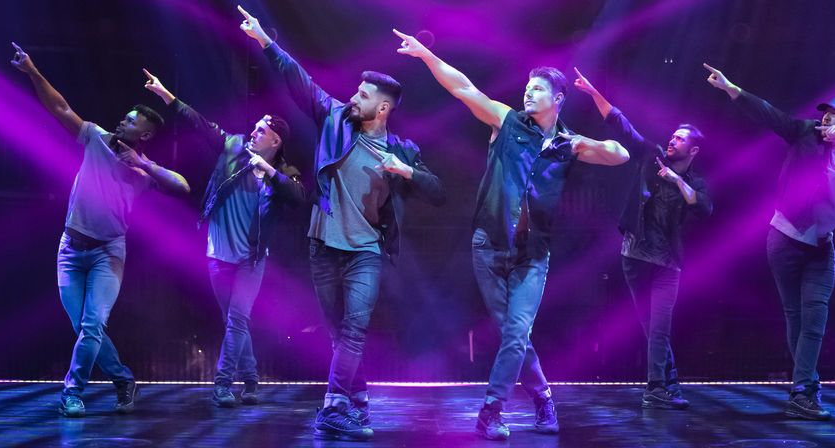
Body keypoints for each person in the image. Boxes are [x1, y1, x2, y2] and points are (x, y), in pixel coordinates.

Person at [395, 31, 630, 440]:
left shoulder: (566, 145)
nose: (528, 94)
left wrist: (576, 141)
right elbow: (462, 86)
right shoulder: (505, 121)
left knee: (516, 334)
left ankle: (491, 411)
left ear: (558, 99)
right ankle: (543, 399)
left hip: (533, 254)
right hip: (488, 245)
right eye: (527, 87)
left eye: (537, 89)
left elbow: (620, 153)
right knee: (513, 335)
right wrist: (428, 55)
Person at [238, 6, 446, 441]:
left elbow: (438, 192)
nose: (354, 97)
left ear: (383, 107)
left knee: (354, 330)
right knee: (340, 335)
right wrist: (264, 40)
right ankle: (358, 399)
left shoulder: (401, 150)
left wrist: (405, 172)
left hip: (366, 252)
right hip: (323, 246)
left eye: (363, 94)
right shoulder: (334, 117)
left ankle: (333, 406)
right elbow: (299, 80)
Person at [704, 63, 835, 420]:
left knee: (814, 320)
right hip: (784, 239)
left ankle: (802, 390)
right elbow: (768, 113)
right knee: (796, 317)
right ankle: (805, 388)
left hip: (823, 247)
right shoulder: (804, 133)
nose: (826, 121)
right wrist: (732, 88)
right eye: (825, 115)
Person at [10, 43, 191, 418]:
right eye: (124, 117)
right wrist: (32, 71)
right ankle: (124, 379)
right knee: (84, 327)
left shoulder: (144, 169)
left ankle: (71, 393)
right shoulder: (95, 137)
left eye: (131, 121)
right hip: (70, 249)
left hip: (109, 253)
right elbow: (60, 108)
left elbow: (184, 187)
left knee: (93, 324)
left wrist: (146, 166)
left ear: (144, 135)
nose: (123, 122)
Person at [141, 69, 306, 407]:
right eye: (255, 126)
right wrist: (166, 96)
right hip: (218, 255)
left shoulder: (282, 173)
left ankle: (221, 385)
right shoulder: (232, 145)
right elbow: (199, 123)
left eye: (262, 130)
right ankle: (251, 379)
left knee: (237, 319)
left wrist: (270, 172)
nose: (253, 131)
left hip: (251, 259)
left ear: (275, 142)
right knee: (232, 320)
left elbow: (300, 198)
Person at [573, 68, 713, 410]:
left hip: (668, 263)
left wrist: (677, 182)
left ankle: (656, 388)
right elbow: (622, 125)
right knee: (651, 328)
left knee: (660, 329)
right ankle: (668, 385)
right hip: (635, 255)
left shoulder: (695, 180)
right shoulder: (652, 157)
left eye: (681, 139)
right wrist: (594, 92)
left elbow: (705, 208)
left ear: (692, 151)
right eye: (674, 136)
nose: (672, 140)